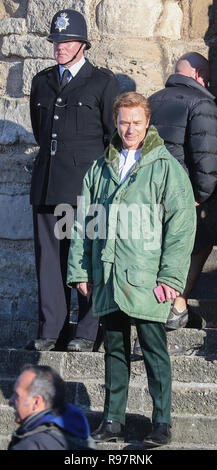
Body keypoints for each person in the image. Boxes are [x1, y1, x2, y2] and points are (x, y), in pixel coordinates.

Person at [67, 92, 196, 446]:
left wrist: (171, 278)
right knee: (115, 351)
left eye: (137, 122)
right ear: (115, 122)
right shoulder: (100, 168)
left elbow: (181, 225)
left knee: (155, 352)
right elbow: (83, 223)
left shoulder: (165, 167)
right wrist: (81, 271)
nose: (130, 129)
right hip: (108, 276)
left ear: (147, 123)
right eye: (124, 122)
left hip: (147, 278)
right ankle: (112, 420)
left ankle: (162, 422)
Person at [27, 9, 120, 352]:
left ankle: (86, 331)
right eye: (56, 41)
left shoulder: (102, 82)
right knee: (49, 261)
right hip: (47, 184)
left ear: (82, 44)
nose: (60, 47)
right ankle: (51, 329)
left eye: (66, 41)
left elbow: (113, 136)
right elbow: (41, 131)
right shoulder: (43, 81)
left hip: (84, 188)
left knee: (85, 259)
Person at [148, 52, 217, 331]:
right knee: (200, 242)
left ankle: (167, 308)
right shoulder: (202, 103)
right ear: (199, 76)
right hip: (183, 195)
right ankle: (176, 306)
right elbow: (206, 159)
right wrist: (201, 195)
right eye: (208, 79)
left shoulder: (151, 101)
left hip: (151, 194)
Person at [8, 364, 96, 450]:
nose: (11, 400)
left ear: (36, 402)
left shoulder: (30, 446)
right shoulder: (84, 439)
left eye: (16, 395)